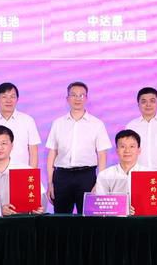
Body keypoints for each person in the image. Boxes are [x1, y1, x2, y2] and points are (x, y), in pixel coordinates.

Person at [45, 81, 111, 214]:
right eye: (74, 95)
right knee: (60, 218)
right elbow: (52, 153)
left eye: (81, 95)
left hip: (86, 177)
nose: (77, 98)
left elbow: (102, 156)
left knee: (88, 217)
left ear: (86, 98)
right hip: (62, 177)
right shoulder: (58, 123)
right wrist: (50, 183)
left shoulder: (97, 124)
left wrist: (99, 183)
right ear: (67, 98)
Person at [93, 129, 157, 214]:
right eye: (122, 146)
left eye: (132, 146)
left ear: (139, 150)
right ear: (117, 150)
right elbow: (99, 206)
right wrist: (122, 209)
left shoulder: (150, 174)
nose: (127, 150)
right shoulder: (105, 175)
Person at [0, 82, 41, 168]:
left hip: (21, 172)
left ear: (17, 99)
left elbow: (33, 152)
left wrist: (31, 174)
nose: (9, 100)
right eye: (4, 97)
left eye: (12, 96)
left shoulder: (28, 121)